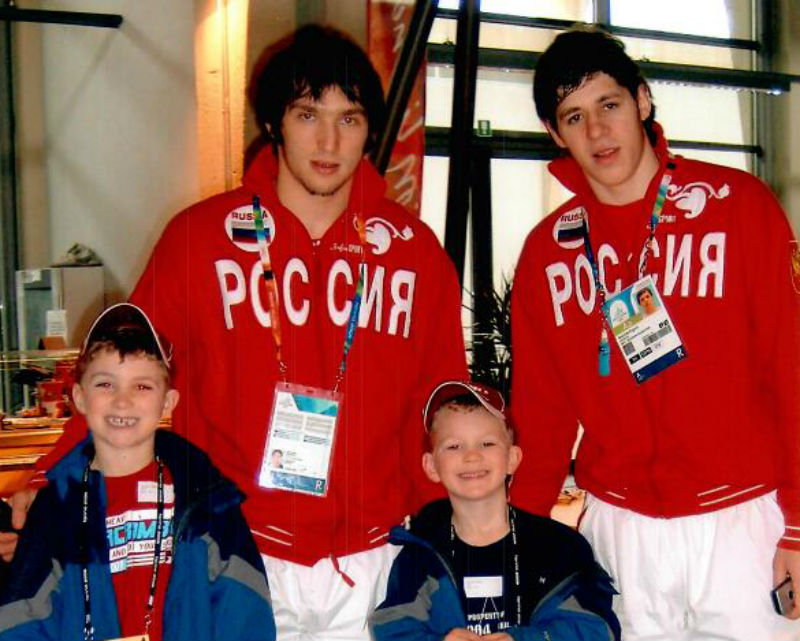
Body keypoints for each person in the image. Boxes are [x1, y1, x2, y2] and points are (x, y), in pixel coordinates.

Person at [0, 24, 467, 640]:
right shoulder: (198, 240)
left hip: (375, 556)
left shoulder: (416, 253)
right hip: (231, 552)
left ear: (370, 132)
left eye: (349, 119)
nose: (328, 140)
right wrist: (47, 479)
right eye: (307, 114)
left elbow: (444, 403)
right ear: (275, 122)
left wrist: (460, 534)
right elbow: (118, 374)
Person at [511, 27, 800, 641]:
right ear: (554, 133)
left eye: (609, 105)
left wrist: (799, 525)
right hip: (621, 529)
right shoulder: (547, 253)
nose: (596, 132)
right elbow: (541, 420)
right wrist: (523, 544)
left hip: (743, 520)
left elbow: (792, 369)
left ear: (642, 100)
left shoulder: (737, 206)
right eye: (574, 116)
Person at [0, 303, 274, 641]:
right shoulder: (56, 509)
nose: (122, 401)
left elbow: (246, 611)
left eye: (142, 386)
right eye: (105, 384)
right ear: (79, 397)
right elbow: (21, 621)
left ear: (168, 402)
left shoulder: (207, 500)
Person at [371, 380, 620, 641]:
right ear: (431, 465)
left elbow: (595, 629)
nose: (472, 456)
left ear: (512, 458)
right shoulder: (420, 554)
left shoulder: (559, 548)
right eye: (454, 446)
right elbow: (393, 628)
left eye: (487, 444)